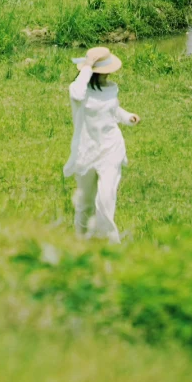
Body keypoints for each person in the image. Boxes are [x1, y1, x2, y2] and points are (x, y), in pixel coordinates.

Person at [64, 45, 140, 243]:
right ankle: (80, 244)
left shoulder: (110, 88)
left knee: (105, 200)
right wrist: (88, 66)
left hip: (110, 149)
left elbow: (112, 110)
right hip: (87, 151)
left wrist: (127, 117)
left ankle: (111, 247)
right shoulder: (80, 92)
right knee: (85, 204)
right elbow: (77, 92)